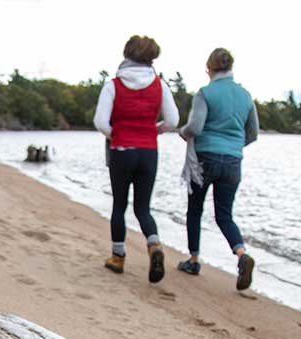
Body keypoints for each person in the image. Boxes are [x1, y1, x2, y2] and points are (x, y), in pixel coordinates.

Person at [93, 35, 179, 283]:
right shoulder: (160, 85)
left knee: (119, 205)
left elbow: (100, 122)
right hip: (148, 151)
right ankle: (154, 246)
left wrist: (116, 134)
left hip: (121, 150)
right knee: (143, 207)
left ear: (127, 54)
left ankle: (118, 257)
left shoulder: (114, 85)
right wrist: (155, 130)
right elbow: (173, 121)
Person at [178, 47, 259, 290]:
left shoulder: (206, 93)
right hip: (233, 160)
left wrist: (182, 132)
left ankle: (193, 260)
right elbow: (253, 133)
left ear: (209, 68)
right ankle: (241, 254)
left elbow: (196, 126)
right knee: (224, 215)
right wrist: (234, 146)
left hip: (205, 158)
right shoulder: (245, 96)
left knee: (195, 210)